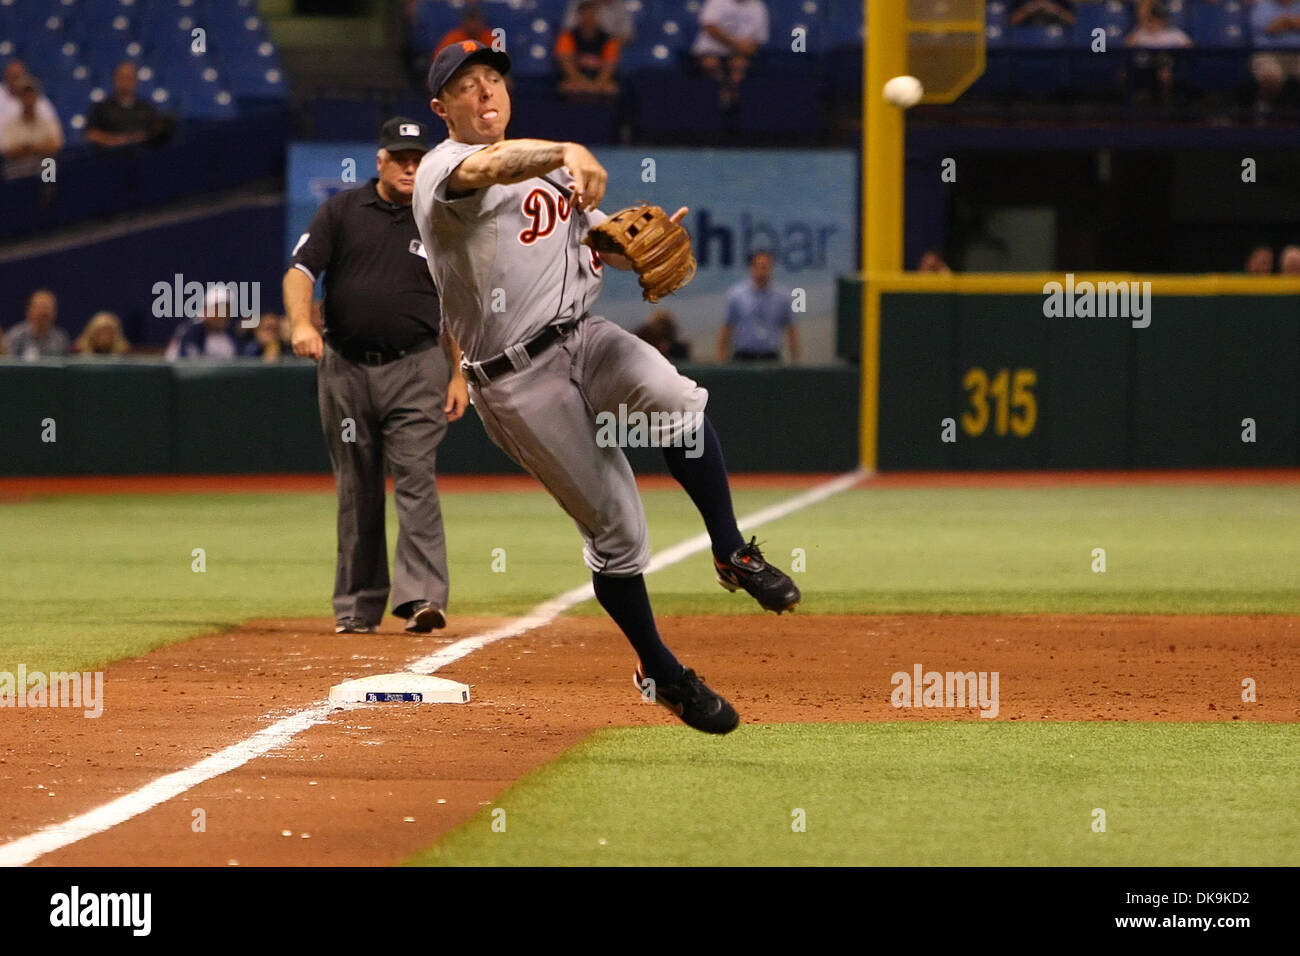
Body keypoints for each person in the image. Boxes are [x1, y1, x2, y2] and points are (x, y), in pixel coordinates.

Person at [413, 41, 800, 736]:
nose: (485, 92)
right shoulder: (443, 170)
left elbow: (597, 240)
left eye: (493, 78)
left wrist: (626, 249)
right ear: (443, 109)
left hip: (582, 338)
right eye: (467, 86)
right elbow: (491, 166)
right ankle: (661, 671)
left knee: (678, 399)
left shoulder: (556, 173)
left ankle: (732, 547)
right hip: (515, 377)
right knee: (622, 533)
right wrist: (565, 147)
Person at [286, 116, 467, 636]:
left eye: (418, 159)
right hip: (344, 367)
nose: (411, 167)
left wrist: (460, 373)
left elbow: (457, 302)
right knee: (357, 488)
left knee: (416, 478)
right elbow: (300, 271)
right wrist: (301, 322)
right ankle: (358, 607)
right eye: (401, 158)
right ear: (381, 161)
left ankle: (424, 599)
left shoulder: (440, 218)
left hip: (418, 365)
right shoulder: (341, 211)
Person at [717, 250, 799, 363]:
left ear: (771, 268)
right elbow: (727, 327)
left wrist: (795, 359)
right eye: (759, 266)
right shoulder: (736, 295)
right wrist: (722, 357)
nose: (762, 271)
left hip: (771, 356)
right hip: (743, 356)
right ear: (752, 268)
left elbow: (791, 329)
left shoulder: (783, 297)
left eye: (766, 267)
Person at [691, 0, 769, 112]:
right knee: (710, 63)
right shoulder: (716, 2)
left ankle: (733, 102)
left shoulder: (758, 6)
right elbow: (709, 27)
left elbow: (758, 40)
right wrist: (736, 44)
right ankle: (720, 97)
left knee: (739, 67)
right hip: (710, 51)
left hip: (740, 54)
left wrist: (744, 50)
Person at [86, 62, 169, 147]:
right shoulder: (101, 108)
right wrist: (115, 140)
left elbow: (156, 131)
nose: (125, 82)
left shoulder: (147, 107)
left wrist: (143, 137)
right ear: (115, 79)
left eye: (129, 78)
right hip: (111, 156)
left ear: (136, 81)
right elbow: (91, 134)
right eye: (122, 77)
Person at [555, 0, 622, 97]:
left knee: (611, 88)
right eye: (585, 14)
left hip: (600, 80)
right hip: (576, 80)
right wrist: (581, 82)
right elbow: (566, 64)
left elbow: (609, 66)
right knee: (567, 86)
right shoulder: (567, 37)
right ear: (579, 16)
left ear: (597, 16)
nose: (588, 18)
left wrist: (597, 84)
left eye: (591, 14)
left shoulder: (608, 39)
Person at [1, 76, 63, 179]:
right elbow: (7, 151)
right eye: (25, 95)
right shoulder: (10, 125)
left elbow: (55, 145)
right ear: (19, 97)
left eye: (31, 94)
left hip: (42, 165)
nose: (28, 98)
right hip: (18, 167)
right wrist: (37, 147)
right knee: (10, 169)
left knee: (50, 163)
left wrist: (28, 148)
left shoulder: (47, 122)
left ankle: (49, 193)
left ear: (36, 96)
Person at [1250, 0, 1300, 114]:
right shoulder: (1262, 6)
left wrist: (1285, 21)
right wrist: (1293, 22)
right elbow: (1271, 29)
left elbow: (1279, 25)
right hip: (1269, 53)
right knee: (1271, 77)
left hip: (1298, 54)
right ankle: (1263, 110)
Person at [165, 287, 239, 359]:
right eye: (217, 309)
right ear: (205, 309)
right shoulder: (191, 332)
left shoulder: (233, 334)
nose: (222, 314)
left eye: (226, 309)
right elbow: (185, 365)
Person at [5, 289, 70, 359]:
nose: (44, 313)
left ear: (55, 313)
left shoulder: (60, 340)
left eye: (47, 309)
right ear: (29, 311)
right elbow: (8, 364)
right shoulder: (16, 336)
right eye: (40, 308)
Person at [0, 61, 61, 133]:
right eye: (12, 76)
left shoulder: (39, 100)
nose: (15, 80)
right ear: (6, 76)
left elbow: (53, 130)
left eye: (18, 76)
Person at [561, 0, 634, 42]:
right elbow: (568, 30)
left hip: (608, 49)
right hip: (580, 47)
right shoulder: (579, 3)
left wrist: (606, 43)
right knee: (565, 42)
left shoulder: (619, 5)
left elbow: (627, 35)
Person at [1008, 0, 1075, 28]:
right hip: (1025, 42)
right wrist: (1031, 8)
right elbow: (1011, 21)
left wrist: (1056, 10)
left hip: (1057, 42)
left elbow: (1072, 20)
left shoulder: (1060, 1)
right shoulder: (1021, 1)